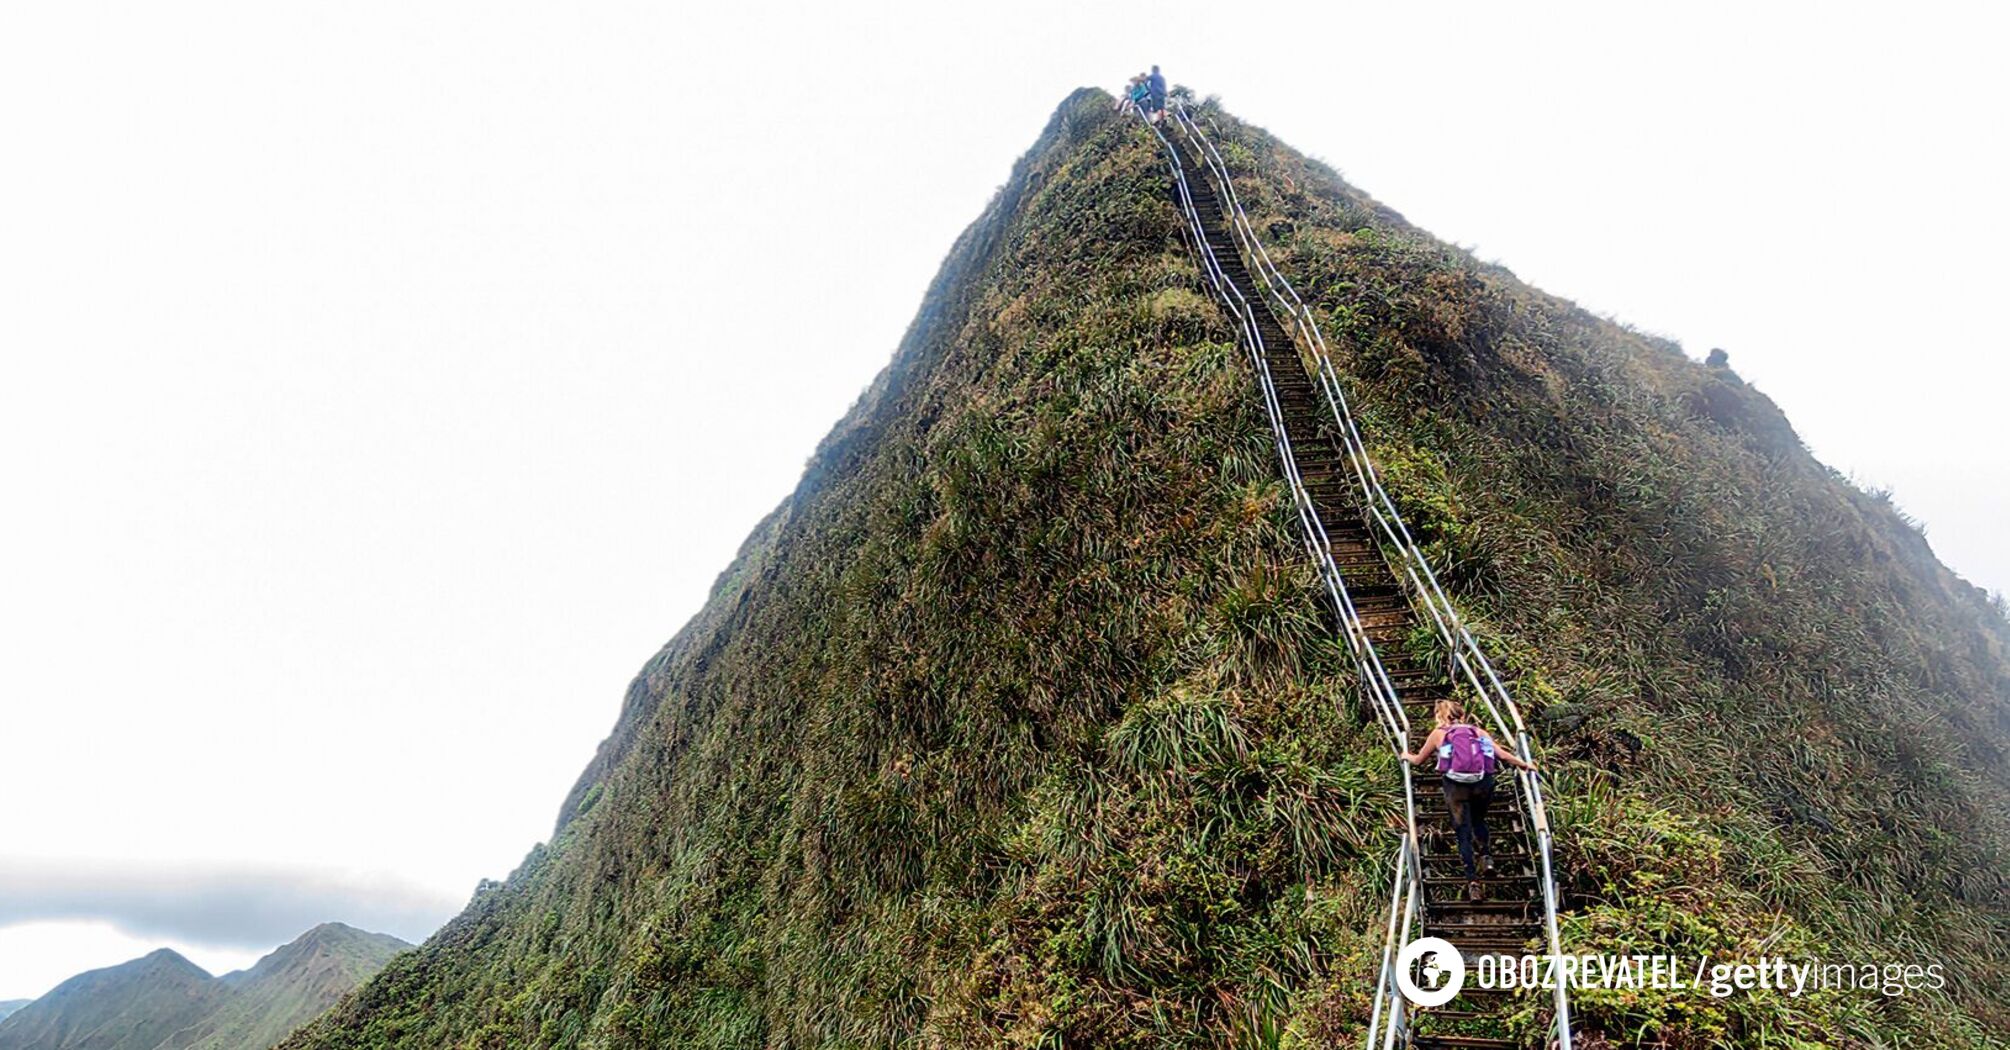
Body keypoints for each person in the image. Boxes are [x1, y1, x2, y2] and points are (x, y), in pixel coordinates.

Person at [1403, 699, 1538, 900]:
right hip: (1482, 784)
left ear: (1440, 716)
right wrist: (1525, 765)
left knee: (1462, 831)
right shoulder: (1478, 732)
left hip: (1456, 787)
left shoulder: (1439, 734)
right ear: (1462, 715)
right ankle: (1487, 857)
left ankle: (1473, 882)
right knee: (1479, 820)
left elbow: (1418, 760)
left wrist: (1406, 755)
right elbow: (1501, 754)